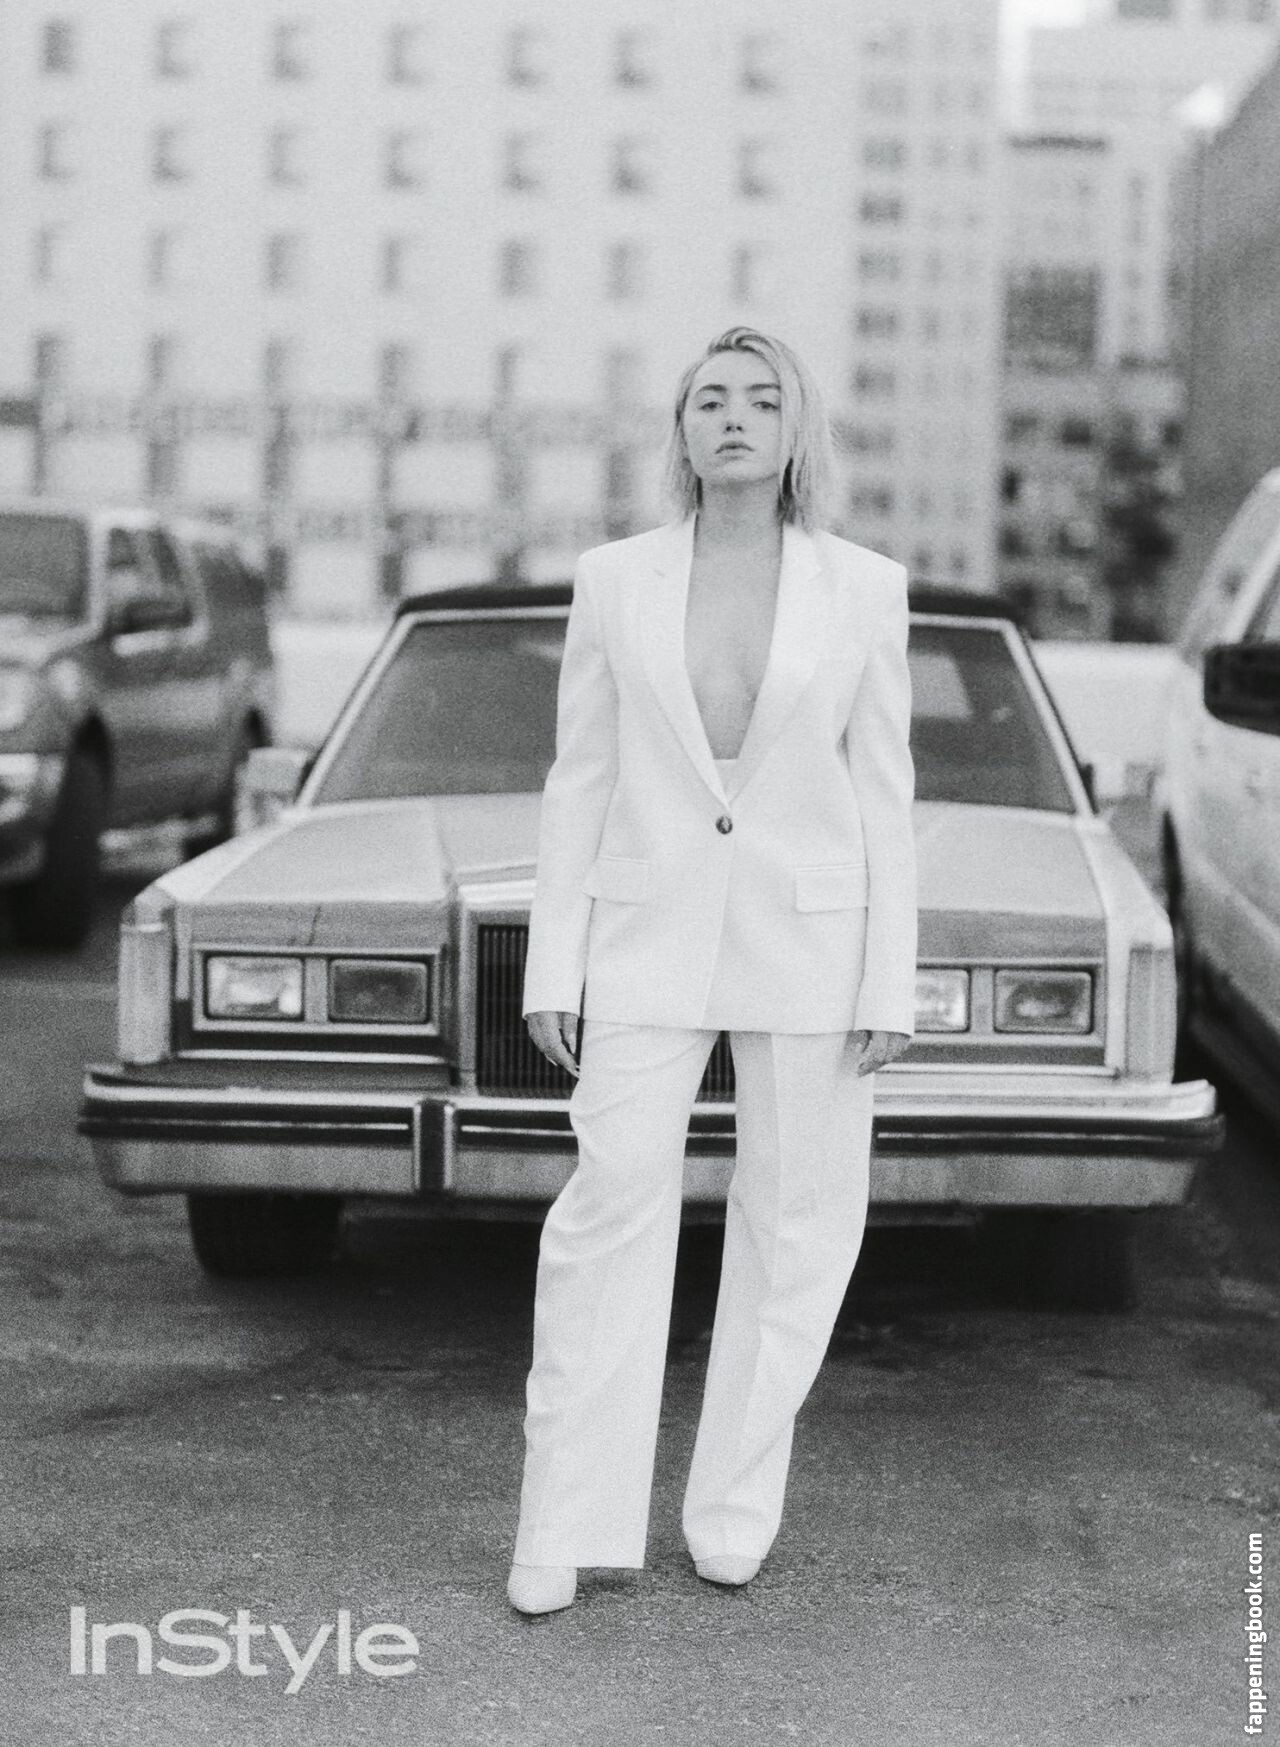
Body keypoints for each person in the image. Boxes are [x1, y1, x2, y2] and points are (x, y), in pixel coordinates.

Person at [508, 325, 917, 1615]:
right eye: (709, 400)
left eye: (762, 399)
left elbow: (885, 793)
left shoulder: (866, 588)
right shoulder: (614, 579)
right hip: (644, 935)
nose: (734, 417)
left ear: (798, 433)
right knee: (608, 1212)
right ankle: (562, 1526)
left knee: (797, 1229)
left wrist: (889, 980)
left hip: (814, 939)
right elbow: (580, 775)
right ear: (681, 431)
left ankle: (732, 1509)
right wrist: (554, 961)